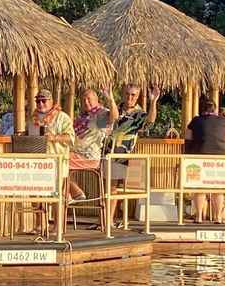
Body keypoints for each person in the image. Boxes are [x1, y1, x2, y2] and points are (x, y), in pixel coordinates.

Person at [106, 84, 160, 224]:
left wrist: (153, 102)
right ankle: (106, 218)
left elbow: (150, 122)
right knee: (106, 188)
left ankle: (108, 220)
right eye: (127, 94)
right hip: (106, 152)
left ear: (137, 96)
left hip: (121, 155)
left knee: (113, 188)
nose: (129, 97)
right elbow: (111, 119)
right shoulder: (115, 107)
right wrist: (110, 99)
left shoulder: (138, 114)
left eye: (133, 95)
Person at [67, 87, 119, 201]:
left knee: (58, 161)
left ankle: (74, 192)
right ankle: (67, 194)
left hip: (88, 157)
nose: (86, 102)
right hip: (75, 154)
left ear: (96, 100)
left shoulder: (99, 115)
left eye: (89, 99)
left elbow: (114, 118)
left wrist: (110, 99)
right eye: (83, 100)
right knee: (55, 160)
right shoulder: (83, 116)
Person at [185, 99, 225, 222]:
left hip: (199, 156)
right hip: (219, 158)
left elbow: (188, 138)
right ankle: (218, 217)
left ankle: (199, 216)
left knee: (200, 187)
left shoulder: (195, 121)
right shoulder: (224, 121)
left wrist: (188, 153)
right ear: (215, 110)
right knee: (218, 188)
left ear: (202, 110)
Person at [27, 89, 74, 179]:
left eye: (44, 101)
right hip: (36, 164)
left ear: (51, 101)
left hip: (57, 163)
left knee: (57, 192)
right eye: (38, 101)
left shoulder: (62, 117)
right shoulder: (32, 118)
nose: (40, 104)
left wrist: (54, 137)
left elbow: (70, 138)